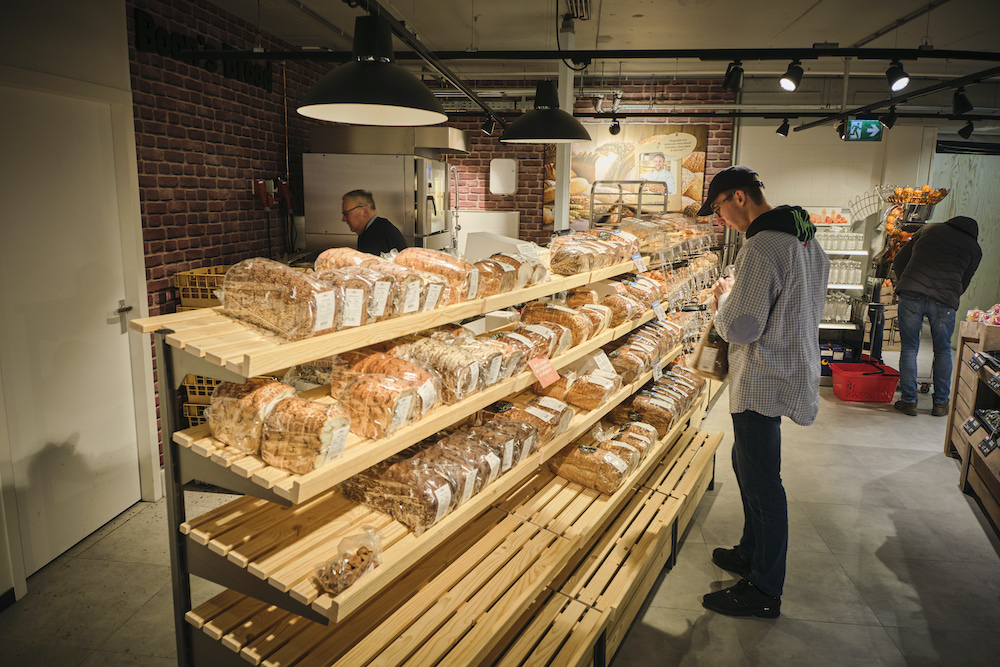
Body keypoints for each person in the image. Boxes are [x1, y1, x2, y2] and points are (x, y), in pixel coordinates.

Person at [699, 166, 830, 619]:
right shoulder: (805, 238)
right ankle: (750, 551)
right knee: (747, 463)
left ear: (739, 197)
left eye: (719, 209)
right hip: (792, 361)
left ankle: (764, 588)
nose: (721, 219)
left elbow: (742, 326)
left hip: (763, 372)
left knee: (762, 481)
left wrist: (721, 303)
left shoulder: (762, 245)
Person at [891, 216, 981, 417]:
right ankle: (940, 403)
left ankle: (909, 401)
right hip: (944, 302)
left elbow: (899, 259)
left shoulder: (929, 229)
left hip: (912, 293)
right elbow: (964, 281)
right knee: (942, 350)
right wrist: (950, 295)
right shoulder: (974, 249)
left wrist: (903, 283)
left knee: (909, 348)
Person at [341, 189, 407, 256]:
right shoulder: (376, 228)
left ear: (364, 211)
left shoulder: (375, 235)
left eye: (346, 213)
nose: (343, 219)